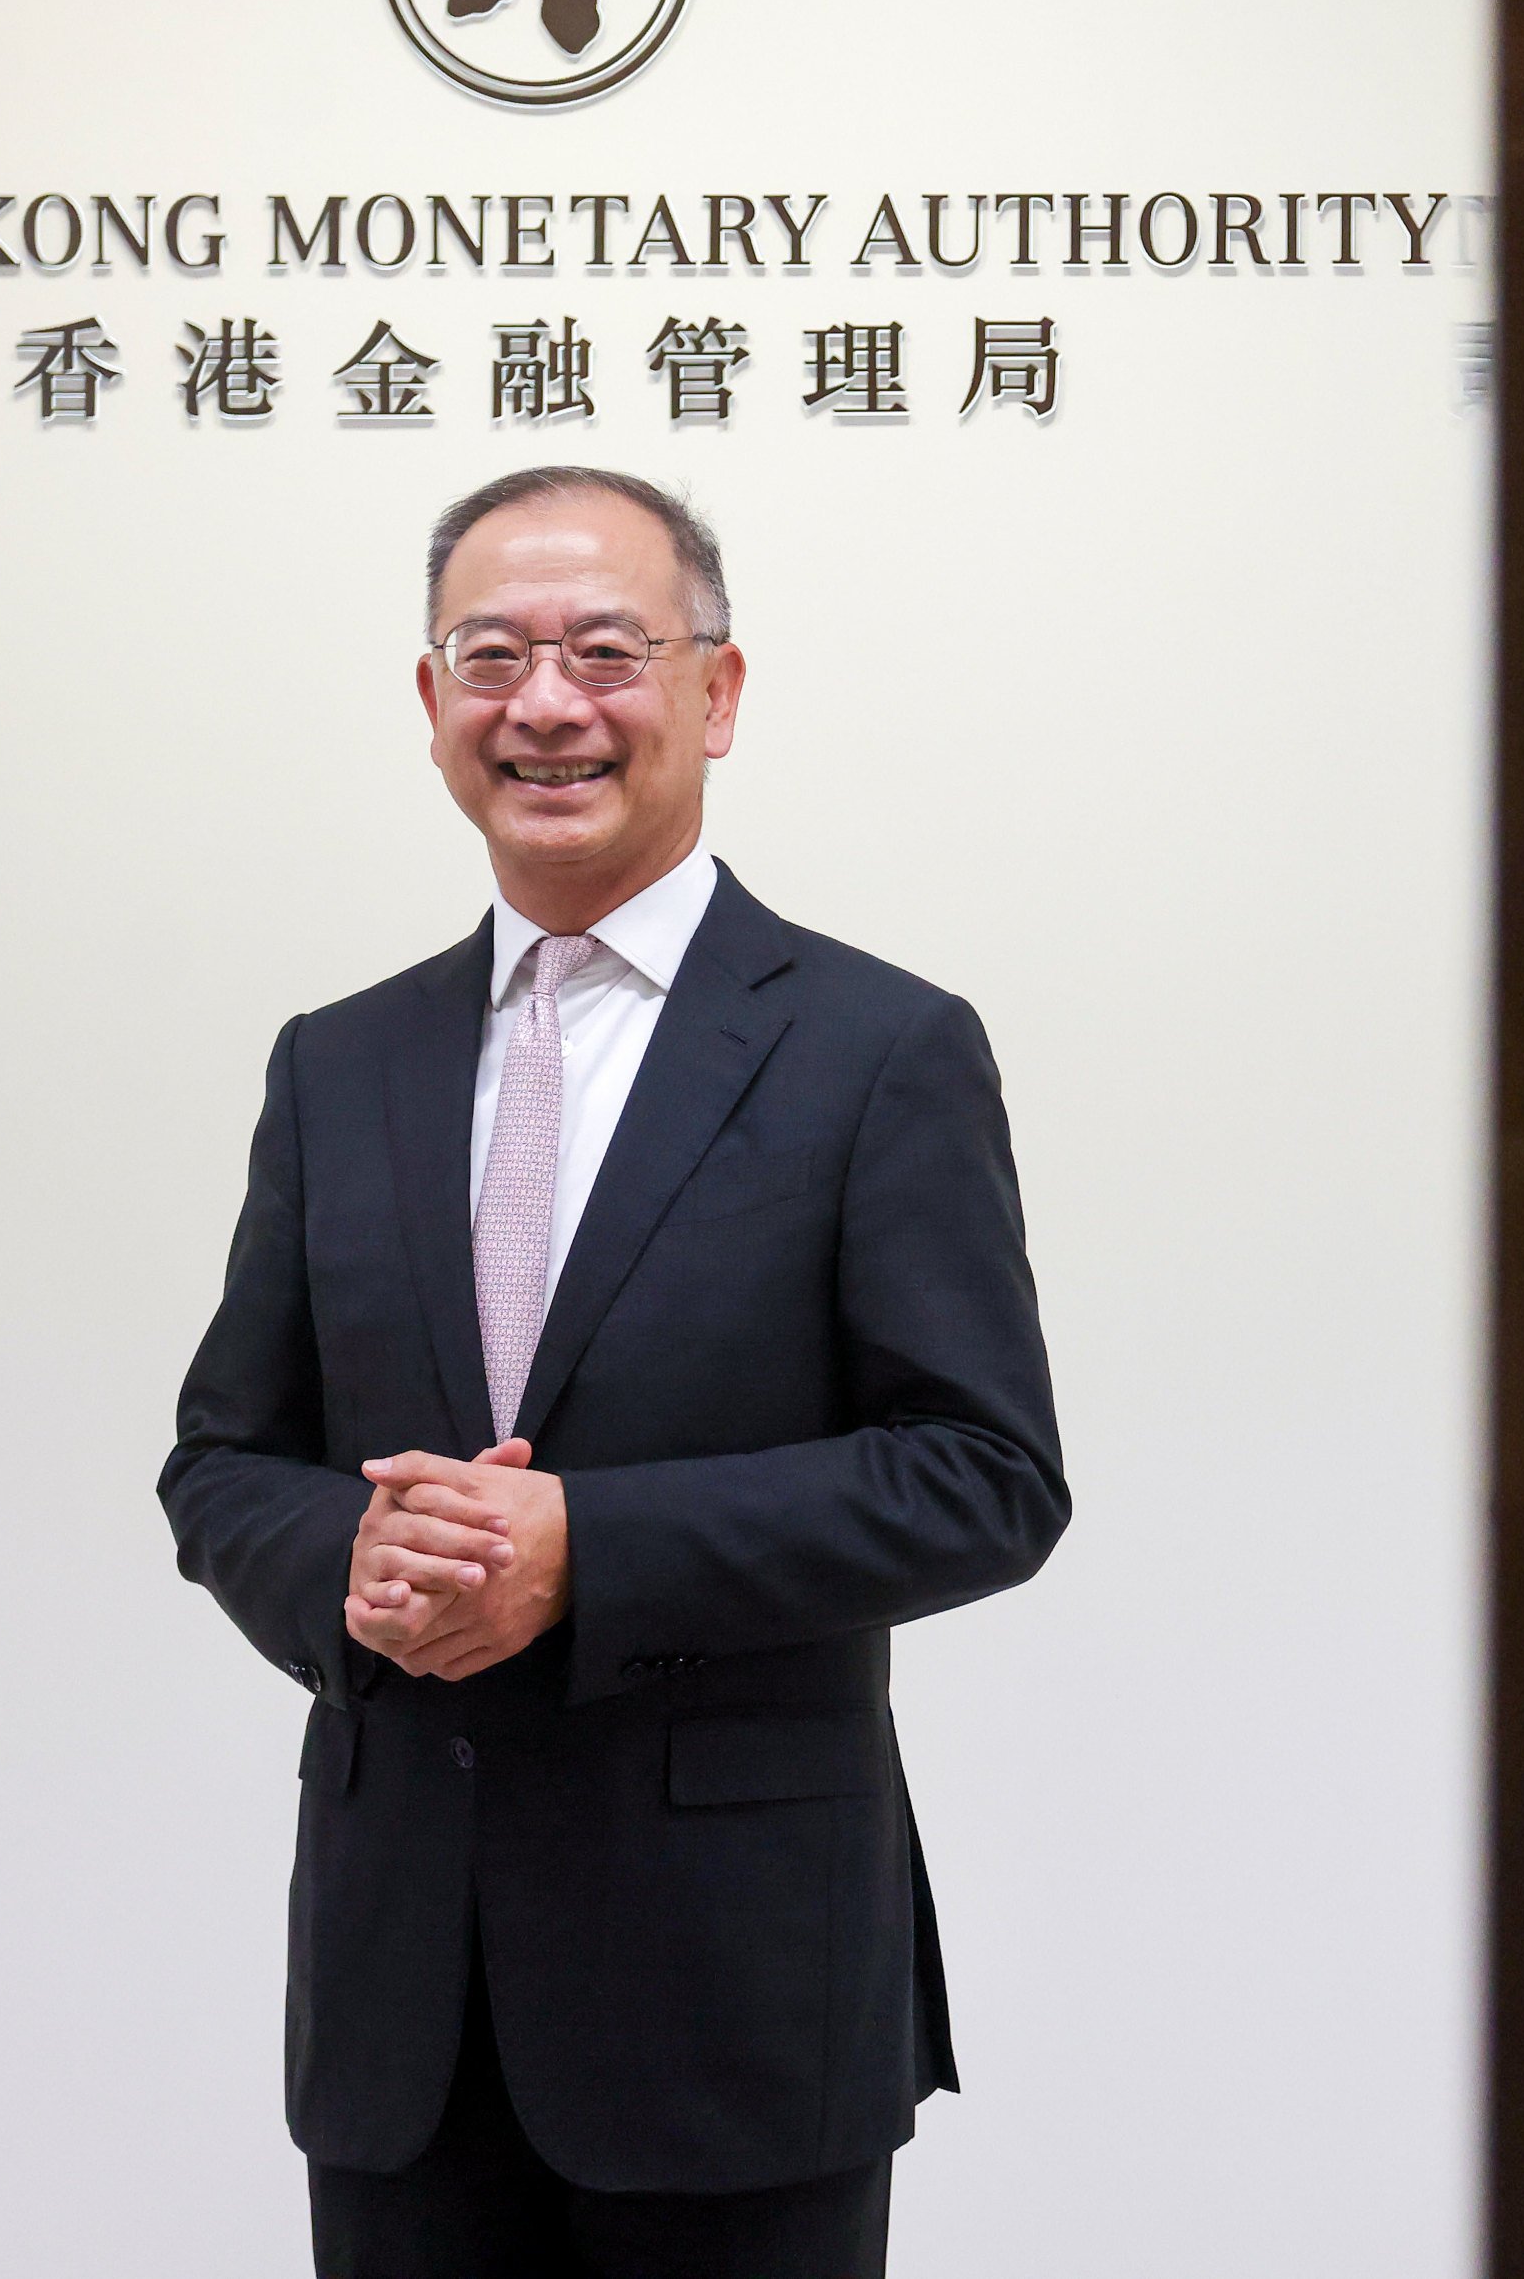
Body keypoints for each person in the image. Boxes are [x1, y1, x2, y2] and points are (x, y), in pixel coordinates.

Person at [160, 465, 1070, 2279]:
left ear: (717, 693)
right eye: (491, 655)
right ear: (432, 705)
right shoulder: (339, 1064)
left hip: (734, 1994)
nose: (547, 703)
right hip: (400, 2004)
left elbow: (984, 1471)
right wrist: (344, 1567)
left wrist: (590, 1549)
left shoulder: (877, 1048)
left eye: (605, 649)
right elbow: (222, 1458)